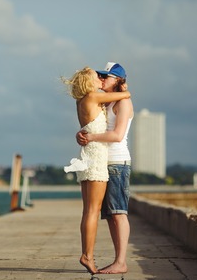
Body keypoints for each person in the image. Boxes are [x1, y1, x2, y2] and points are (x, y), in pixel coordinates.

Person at [62, 66, 130, 275]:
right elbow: (127, 92)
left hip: (100, 159)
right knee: (93, 211)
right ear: (89, 82)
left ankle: (97, 256)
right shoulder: (95, 97)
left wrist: (86, 135)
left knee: (100, 211)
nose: (100, 78)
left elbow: (111, 131)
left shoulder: (92, 99)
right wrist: (123, 86)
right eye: (97, 76)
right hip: (97, 159)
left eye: (104, 76)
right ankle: (87, 255)